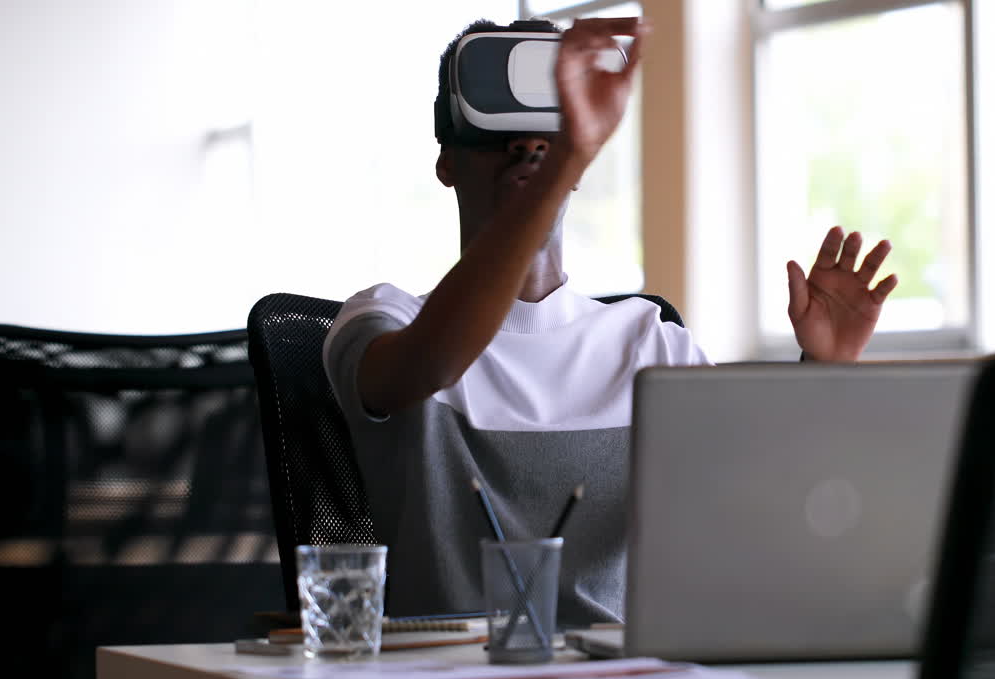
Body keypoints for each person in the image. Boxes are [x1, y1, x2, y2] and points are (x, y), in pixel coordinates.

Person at [323, 17, 898, 626]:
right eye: (499, 129)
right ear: (446, 162)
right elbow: (431, 364)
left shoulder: (647, 344)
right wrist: (560, 161)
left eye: (549, 128)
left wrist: (824, 373)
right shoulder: (382, 320)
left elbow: (770, 504)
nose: (526, 145)